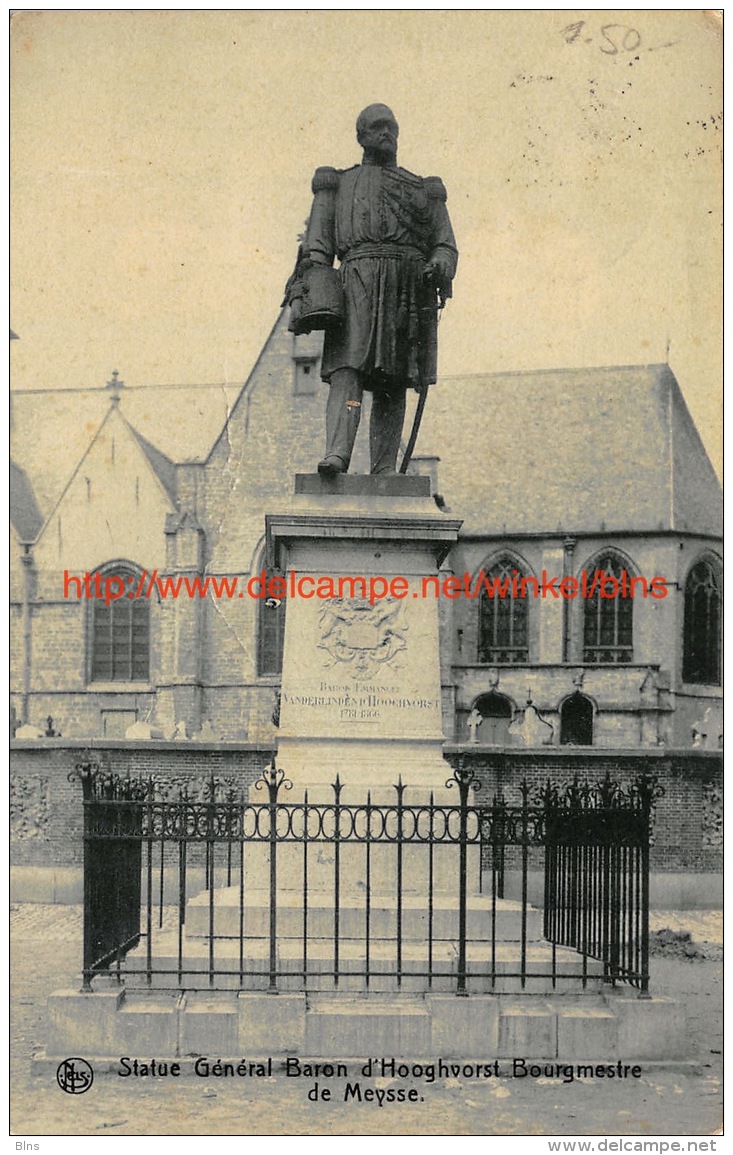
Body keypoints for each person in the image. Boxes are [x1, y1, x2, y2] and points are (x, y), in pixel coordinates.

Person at [289, 104, 458, 476]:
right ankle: (337, 453)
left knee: (392, 381)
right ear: (361, 136)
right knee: (348, 372)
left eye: (393, 128)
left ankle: (384, 467)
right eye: (379, 128)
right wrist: (313, 290)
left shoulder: (422, 190)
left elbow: (444, 243)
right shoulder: (337, 185)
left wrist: (442, 264)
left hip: (406, 289)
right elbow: (318, 248)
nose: (387, 134)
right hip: (355, 288)